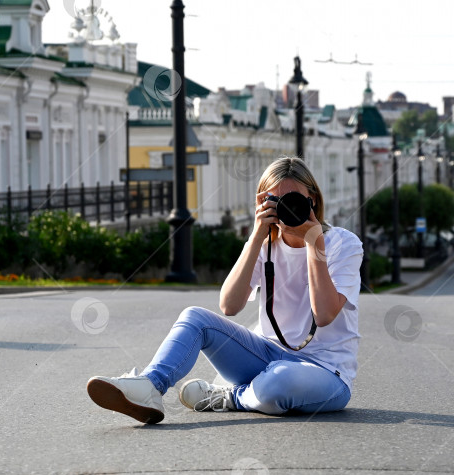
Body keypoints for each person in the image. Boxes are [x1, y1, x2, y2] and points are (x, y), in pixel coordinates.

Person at [87, 157, 363, 424]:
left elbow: (325, 314)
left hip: (325, 373)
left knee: (280, 378)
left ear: (312, 199)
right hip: (264, 356)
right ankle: (150, 386)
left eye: (294, 200)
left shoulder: (343, 243)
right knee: (195, 317)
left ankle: (232, 396)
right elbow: (229, 306)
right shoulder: (265, 245)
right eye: (275, 201)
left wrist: (314, 245)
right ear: (263, 203)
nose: (287, 208)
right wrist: (256, 237)